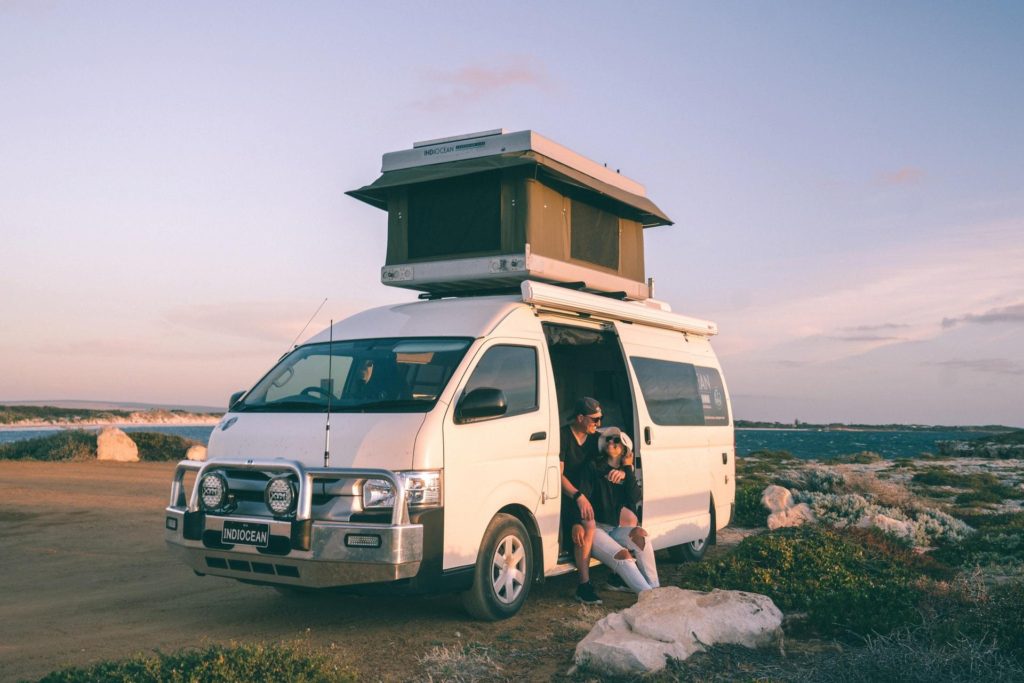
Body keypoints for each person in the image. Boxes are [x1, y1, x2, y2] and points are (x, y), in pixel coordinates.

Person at [582, 427, 659, 593]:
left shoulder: (625, 472)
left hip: (615, 529)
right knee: (624, 556)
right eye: (608, 439)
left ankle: (655, 589)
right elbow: (585, 495)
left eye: (616, 440)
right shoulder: (594, 466)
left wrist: (627, 470)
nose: (611, 441)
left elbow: (635, 497)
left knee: (641, 536)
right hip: (596, 529)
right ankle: (648, 595)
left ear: (625, 449)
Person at [560, 397, 602, 604]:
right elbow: (558, 475)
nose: (598, 423)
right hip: (567, 496)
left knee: (588, 525)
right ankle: (584, 585)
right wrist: (578, 497)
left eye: (600, 418)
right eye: (595, 419)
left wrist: (624, 471)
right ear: (580, 418)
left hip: (586, 496)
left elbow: (618, 452)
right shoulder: (563, 436)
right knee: (589, 525)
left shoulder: (596, 439)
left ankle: (612, 576)